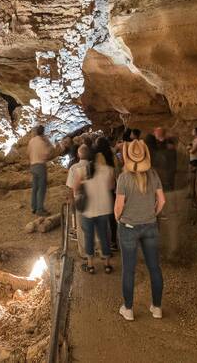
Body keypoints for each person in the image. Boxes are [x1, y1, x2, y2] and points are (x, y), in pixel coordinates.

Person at [115, 137, 166, 321]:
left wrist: (118, 218)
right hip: (150, 225)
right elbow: (162, 201)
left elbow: (119, 206)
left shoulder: (124, 178)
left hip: (129, 227)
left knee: (129, 270)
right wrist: (153, 213)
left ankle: (128, 309)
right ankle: (157, 308)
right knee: (154, 268)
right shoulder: (153, 175)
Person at [74, 141, 115, 274]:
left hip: (88, 211)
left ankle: (90, 265)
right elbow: (111, 188)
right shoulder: (109, 170)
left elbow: (76, 188)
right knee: (104, 236)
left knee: (88, 237)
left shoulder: (82, 170)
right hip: (103, 209)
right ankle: (107, 264)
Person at [95, 136, 119, 252]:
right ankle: (114, 241)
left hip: (101, 190)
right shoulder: (112, 155)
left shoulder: (98, 156)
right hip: (112, 188)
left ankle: (105, 243)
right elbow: (117, 172)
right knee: (112, 217)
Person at [66, 144, 91, 257]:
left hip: (79, 198)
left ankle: (84, 252)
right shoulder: (93, 166)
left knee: (81, 227)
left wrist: (71, 200)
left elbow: (71, 187)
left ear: (78, 154)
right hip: (93, 198)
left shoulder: (74, 168)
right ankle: (94, 248)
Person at [27, 125, 56, 216]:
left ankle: (33, 207)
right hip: (40, 166)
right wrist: (49, 144)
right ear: (43, 132)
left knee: (35, 188)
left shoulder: (32, 141)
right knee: (41, 188)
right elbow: (47, 153)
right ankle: (40, 209)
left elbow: (28, 152)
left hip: (32, 165)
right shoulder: (42, 142)